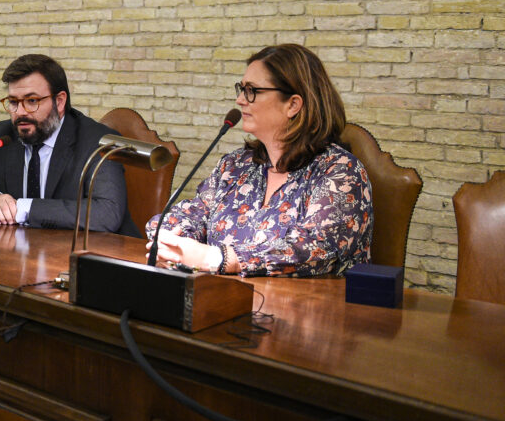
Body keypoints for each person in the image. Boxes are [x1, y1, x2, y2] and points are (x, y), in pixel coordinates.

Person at [146, 43, 373, 277]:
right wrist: (172, 245)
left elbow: (315, 249)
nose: (240, 100)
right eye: (241, 89)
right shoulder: (235, 166)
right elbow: (189, 214)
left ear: (293, 104)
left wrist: (214, 258)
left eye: (252, 90)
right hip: (225, 301)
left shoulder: (341, 172)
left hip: (307, 308)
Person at [0, 54, 138, 235]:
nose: (20, 112)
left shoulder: (98, 141)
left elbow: (107, 213)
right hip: (23, 252)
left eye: (32, 101)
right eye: (13, 102)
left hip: (93, 256)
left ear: (60, 101)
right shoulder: (5, 135)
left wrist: (22, 208)